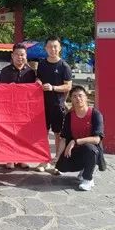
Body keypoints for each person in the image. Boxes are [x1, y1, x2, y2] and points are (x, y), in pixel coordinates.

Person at [56, 85, 105, 191]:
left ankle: (88, 179)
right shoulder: (69, 116)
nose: (78, 98)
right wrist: (57, 156)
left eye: (80, 95)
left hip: (92, 150)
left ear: (86, 97)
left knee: (89, 148)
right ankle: (85, 168)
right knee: (61, 167)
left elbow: (97, 139)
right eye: (74, 96)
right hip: (76, 150)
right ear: (71, 100)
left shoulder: (95, 114)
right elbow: (63, 138)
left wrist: (75, 141)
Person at [35, 36, 72, 172]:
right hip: (42, 105)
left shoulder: (64, 66)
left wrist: (53, 88)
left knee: (58, 134)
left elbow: (68, 86)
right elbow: (38, 78)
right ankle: (43, 161)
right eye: (50, 47)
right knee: (42, 134)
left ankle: (57, 161)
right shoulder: (42, 64)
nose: (53, 49)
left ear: (60, 48)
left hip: (57, 105)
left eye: (55, 46)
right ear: (46, 48)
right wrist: (38, 82)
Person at [0, 42, 36, 170]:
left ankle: (22, 157)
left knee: (24, 133)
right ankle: (10, 157)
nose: (20, 57)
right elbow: (0, 90)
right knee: (9, 133)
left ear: (26, 56)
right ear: (12, 55)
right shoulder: (5, 71)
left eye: (22, 55)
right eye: (17, 55)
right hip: (9, 108)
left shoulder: (31, 72)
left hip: (25, 109)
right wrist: (8, 89)